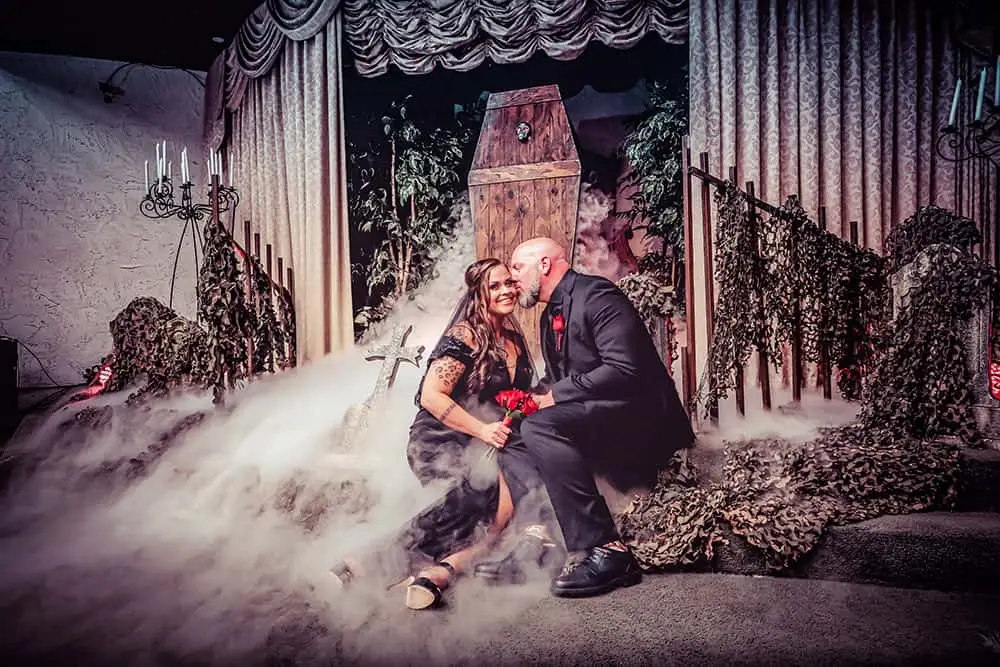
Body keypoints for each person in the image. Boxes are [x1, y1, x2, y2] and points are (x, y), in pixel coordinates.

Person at [476, 237, 696, 598]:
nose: (513, 278)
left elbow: (625, 370)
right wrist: (525, 403)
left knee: (540, 425)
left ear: (544, 265)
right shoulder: (550, 315)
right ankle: (541, 540)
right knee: (514, 428)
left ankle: (610, 551)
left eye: (517, 267)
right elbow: (559, 376)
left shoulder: (597, 295)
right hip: (600, 414)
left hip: (642, 420)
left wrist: (553, 398)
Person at [332, 258, 556, 610]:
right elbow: (431, 396)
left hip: (487, 442)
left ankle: (434, 575)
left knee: (498, 512)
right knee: (474, 495)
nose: (506, 291)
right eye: (494, 286)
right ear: (479, 294)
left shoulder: (513, 337)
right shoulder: (464, 335)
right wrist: (482, 428)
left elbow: (516, 395)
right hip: (439, 437)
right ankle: (368, 561)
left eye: (509, 284)